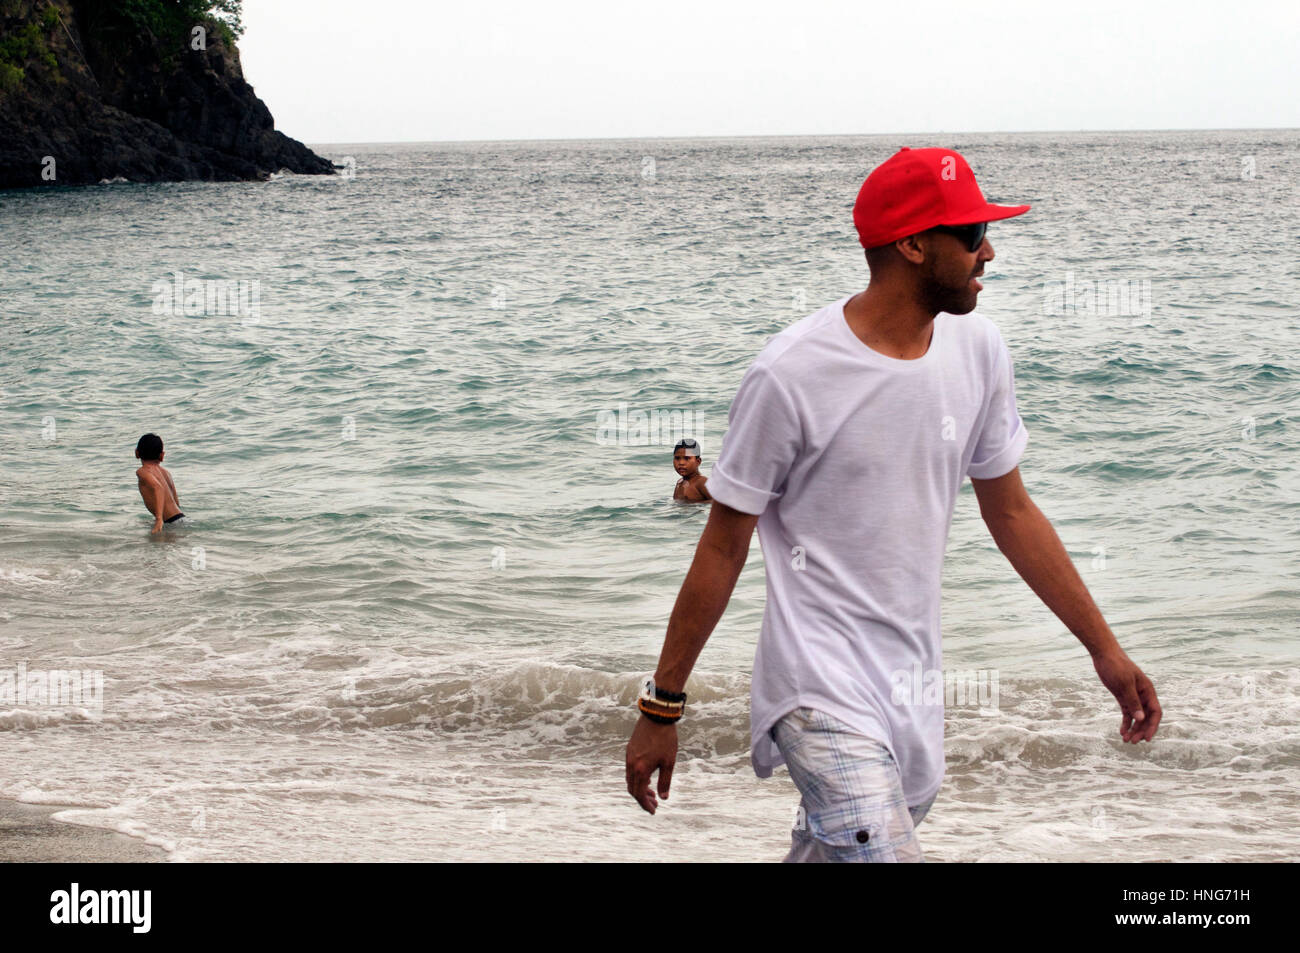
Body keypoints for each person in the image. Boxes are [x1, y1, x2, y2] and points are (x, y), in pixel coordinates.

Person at [624, 147, 1162, 862]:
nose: (989, 251)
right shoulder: (790, 376)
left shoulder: (979, 349)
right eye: (971, 234)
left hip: (911, 688)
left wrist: (1105, 648)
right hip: (816, 691)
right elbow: (723, 544)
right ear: (912, 244)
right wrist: (662, 706)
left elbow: (1013, 514)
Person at [134, 433, 184, 532]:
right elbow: (176, 502)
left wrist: (159, 519)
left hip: (170, 522)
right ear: (162, 455)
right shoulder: (166, 473)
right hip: (180, 518)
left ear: (137, 453)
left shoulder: (143, 471)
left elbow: (158, 487)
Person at [671, 438, 712, 503]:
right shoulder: (679, 483)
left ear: (698, 461)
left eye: (687, 458)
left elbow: (719, 502)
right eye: (677, 458)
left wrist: (696, 505)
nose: (681, 463)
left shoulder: (702, 482)